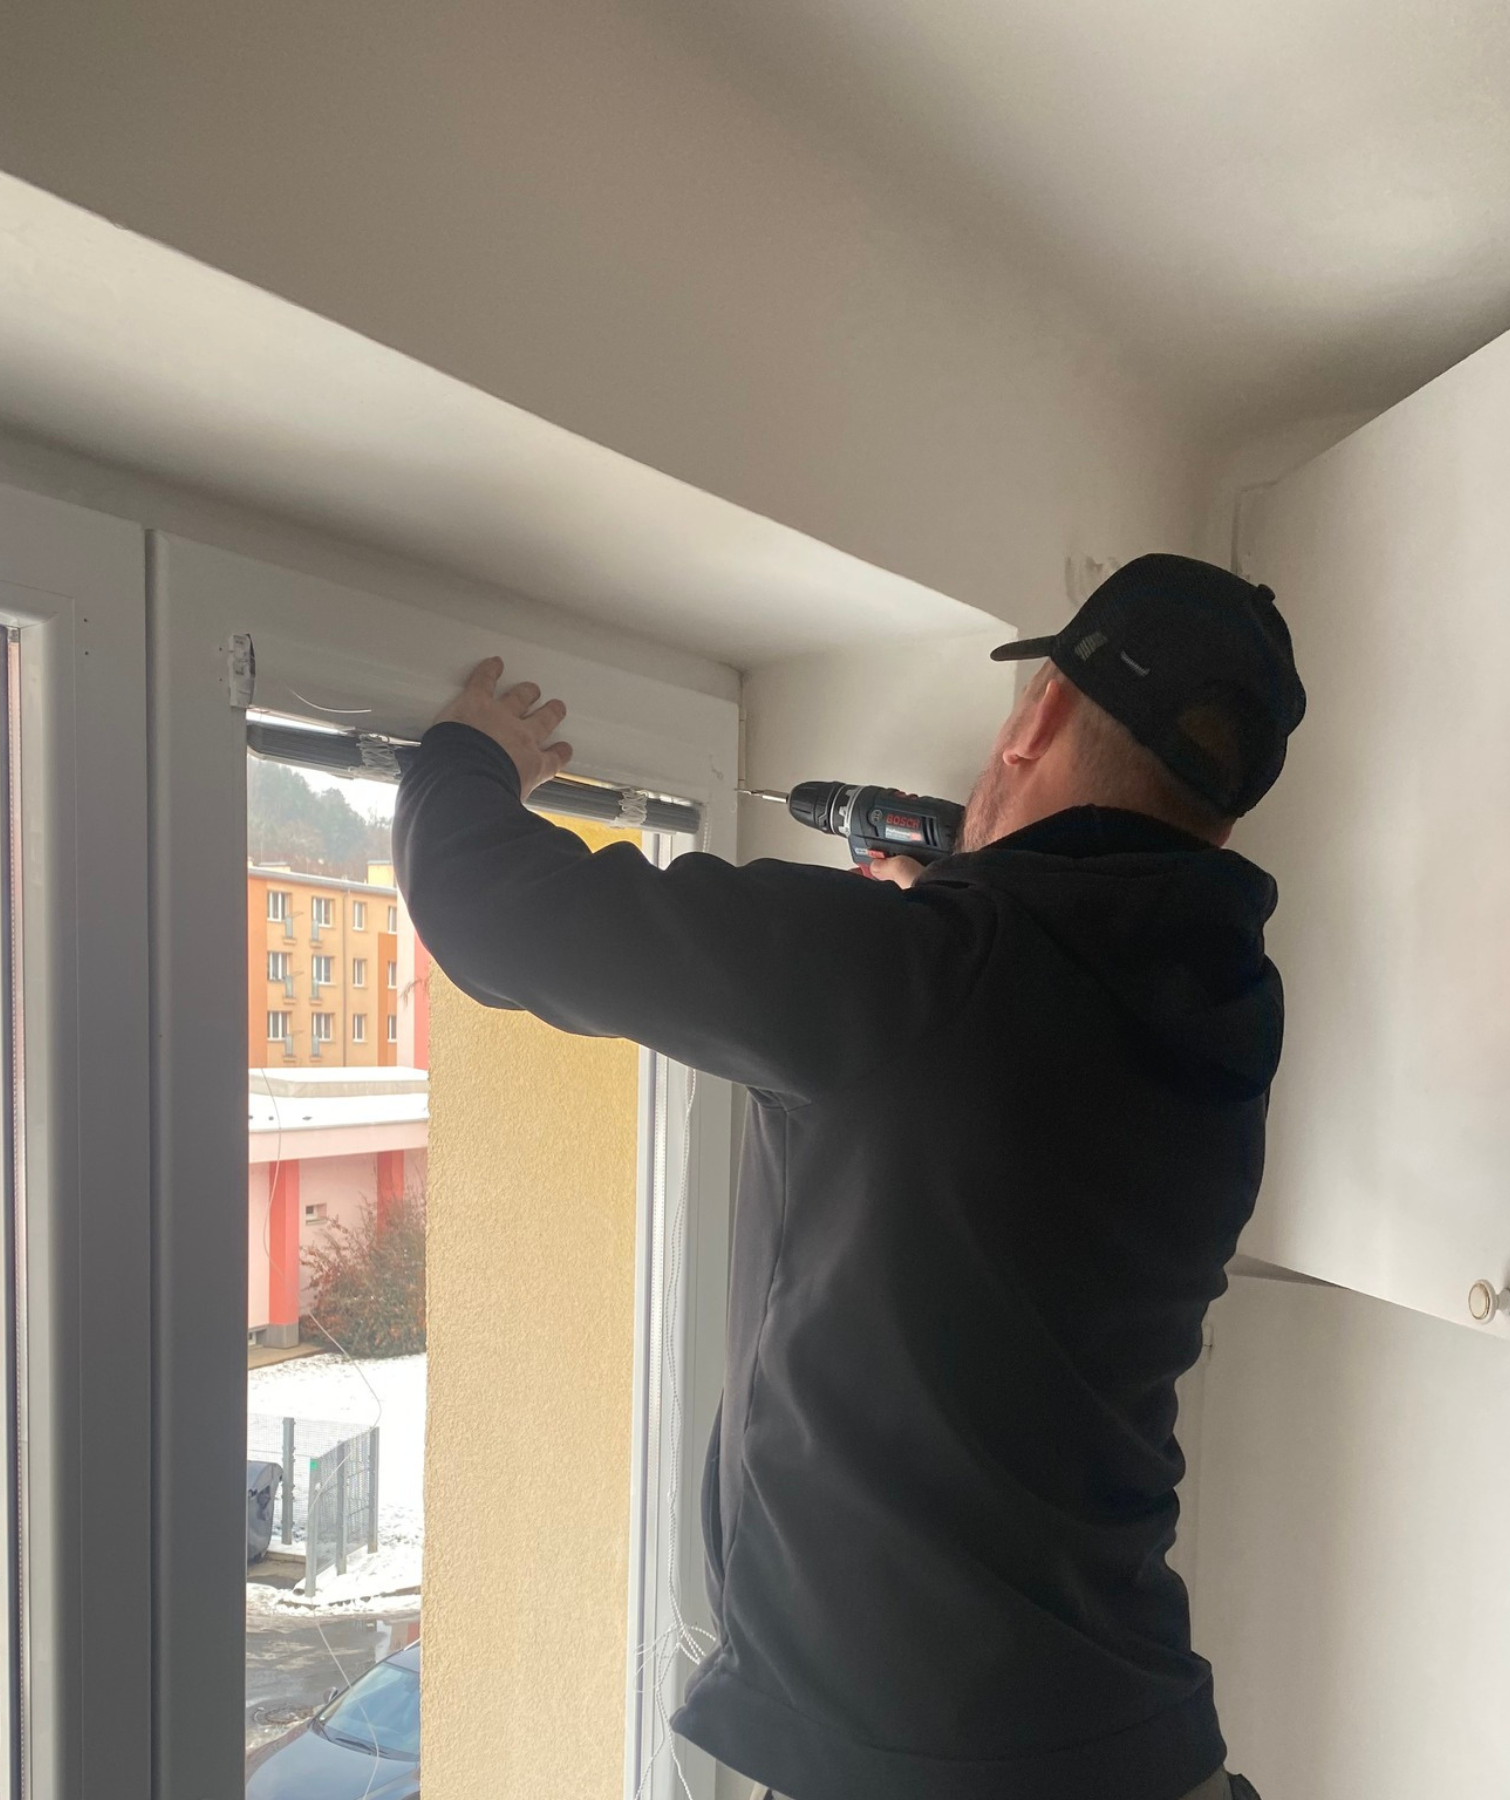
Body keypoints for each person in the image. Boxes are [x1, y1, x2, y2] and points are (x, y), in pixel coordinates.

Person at [392, 553, 1305, 1800]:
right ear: (1226, 814)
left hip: (930, 1764)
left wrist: (464, 752)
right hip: (1134, 1735)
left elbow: (488, 907)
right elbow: (1014, 1078)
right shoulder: (1229, 1012)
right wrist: (944, 922)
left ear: (1036, 715)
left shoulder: (915, 980)